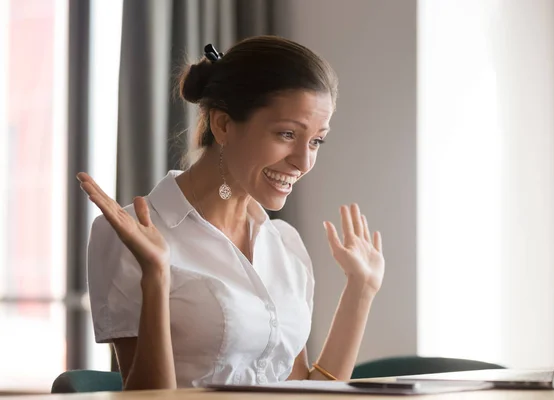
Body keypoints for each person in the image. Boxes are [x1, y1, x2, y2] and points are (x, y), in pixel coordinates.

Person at [78, 35, 385, 390]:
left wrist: (360, 290)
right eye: (287, 134)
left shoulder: (284, 245)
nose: (303, 161)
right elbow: (145, 399)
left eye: (316, 141)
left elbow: (304, 391)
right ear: (223, 125)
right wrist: (156, 276)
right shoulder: (129, 234)